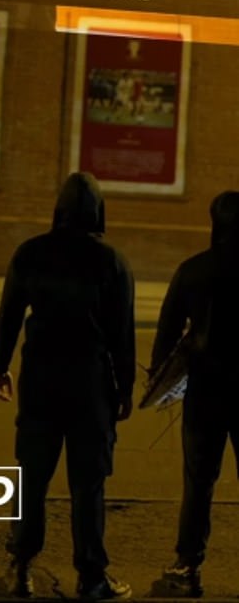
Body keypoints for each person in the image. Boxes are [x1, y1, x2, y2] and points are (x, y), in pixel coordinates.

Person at [0, 172, 135, 600]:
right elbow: (122, 334)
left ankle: (21, 567)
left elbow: (10, 313)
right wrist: (125, 389)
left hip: (39, 376)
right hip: (89, 381)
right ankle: (91, 575)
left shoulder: (31, 253)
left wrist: (1, 366)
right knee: (88, 482)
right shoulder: (111, 261)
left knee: (31, 476)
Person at [149, 191, 239, 598]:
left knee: (199, 482)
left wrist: (157, 378)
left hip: (205, 392)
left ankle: (188, 564)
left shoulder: (193, 271)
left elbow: (167, 333)